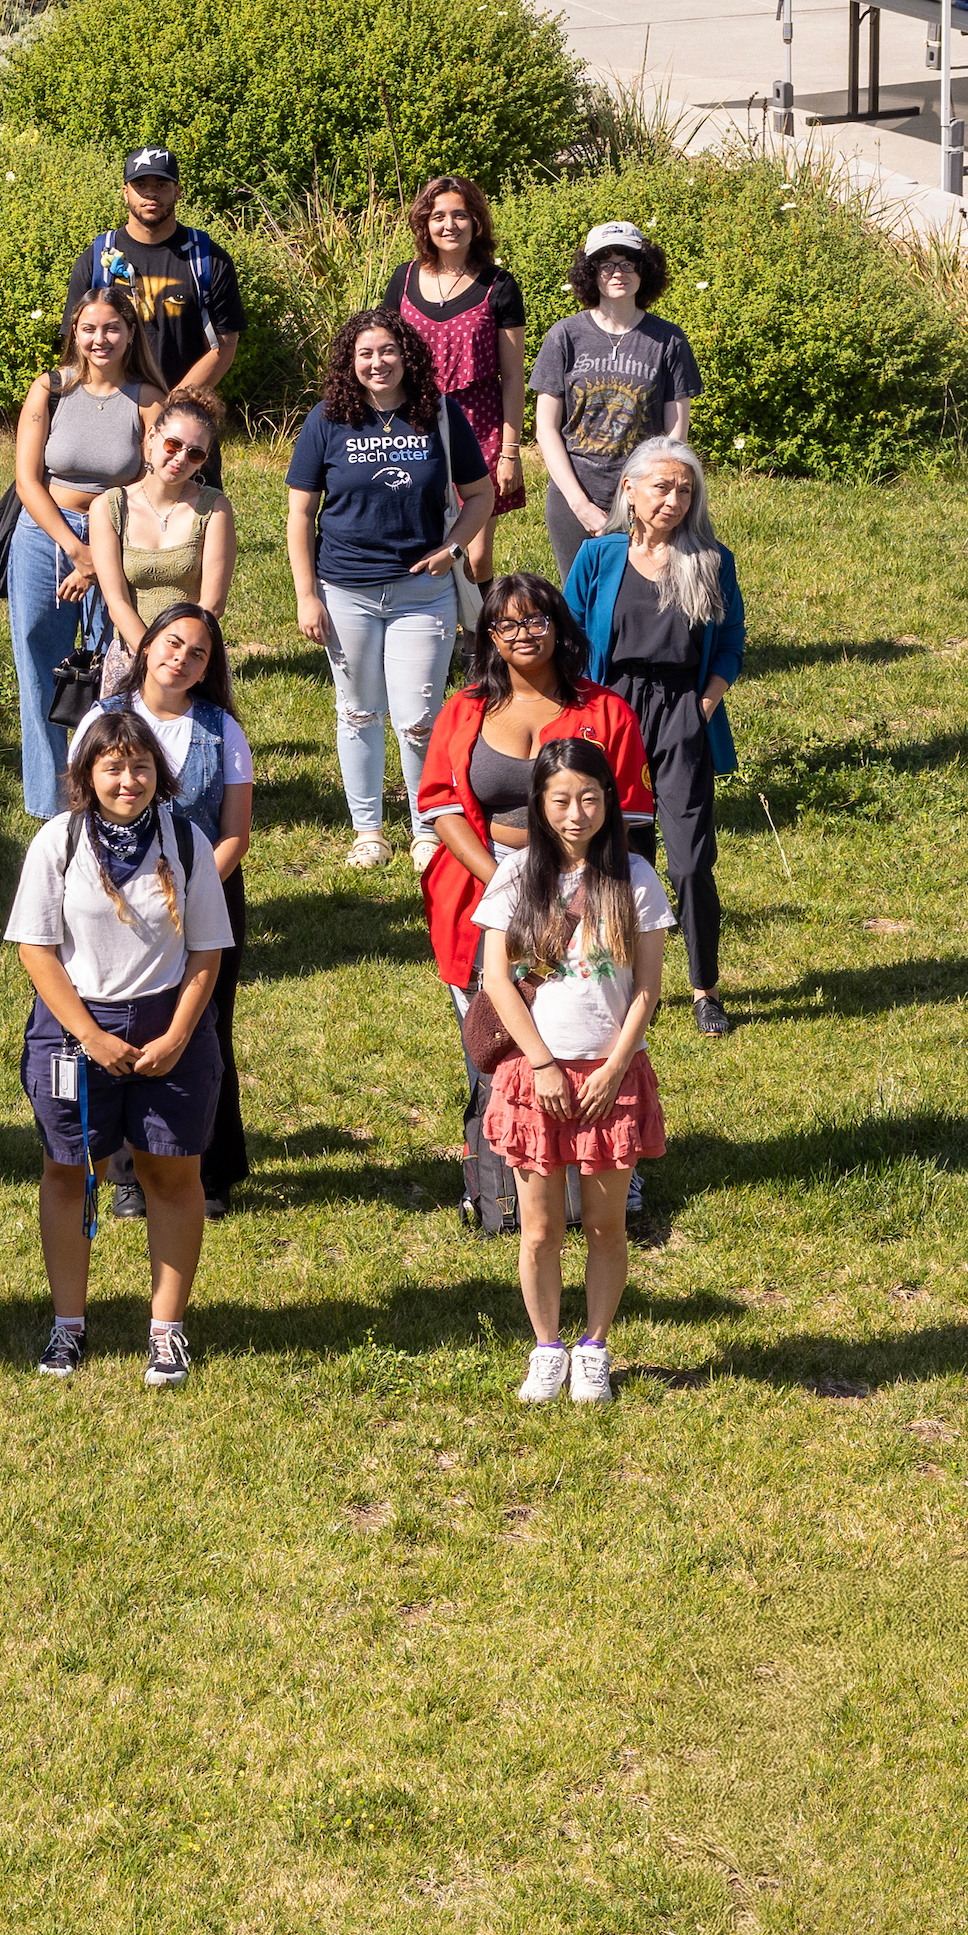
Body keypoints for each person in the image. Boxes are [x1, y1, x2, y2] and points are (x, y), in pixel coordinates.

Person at [7, 704, 236, 1388]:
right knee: (71, 1170)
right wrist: (89, 1035)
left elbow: (206, 953)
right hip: (74, 1032)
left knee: (172, 1173)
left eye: (139, 766)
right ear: (88, 773)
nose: (127, 779)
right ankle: (68, 1327)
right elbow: (36, 949)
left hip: (172, 1027)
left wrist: (176, 1034)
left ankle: (167, 1332)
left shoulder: (189, 841)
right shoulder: (57, 841)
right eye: (113, 767)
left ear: (157, 774)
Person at [417, 575, 655, 1232]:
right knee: (495, 1042)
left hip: (588, 902)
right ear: (489, 637)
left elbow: (629, 815)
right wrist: (512, 885)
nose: (525, 635)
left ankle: (613, 1175)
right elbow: (441, 806)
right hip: (477, 900)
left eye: (537, 620)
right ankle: (494, 1186)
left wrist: (570, 889)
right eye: (508, 625)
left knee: (597, 1030)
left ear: (559, 625)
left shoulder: (607, 711)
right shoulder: (464, 710)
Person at [480, 738, 673, 1403]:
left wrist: (616, 1068)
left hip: (609, 1080)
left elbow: (646, 989)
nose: (575, 813)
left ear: (609, 802)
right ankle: (546, 1347)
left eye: (589, 798)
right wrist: (540, 1064)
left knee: (604, 1224)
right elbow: (496, 980)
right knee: (538, 1228)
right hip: (536, 1077)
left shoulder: (636, 879)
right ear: (538, 803)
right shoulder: (515, 874)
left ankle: (593, 1345)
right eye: (560, 799)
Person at [287, 310, 491, 871]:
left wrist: (452, 550)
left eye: (387, 351)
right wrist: (307, 594)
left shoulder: (440, 415)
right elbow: (300, 513)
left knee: (419, 718)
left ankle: (427, 828)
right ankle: (368, 830)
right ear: (350, 363)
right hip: (344, 590)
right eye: (365, 354)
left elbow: (480, 496)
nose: (377, 364)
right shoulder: (327, 419)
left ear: (407, 355)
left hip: (422, 594)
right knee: (357, 712)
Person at [567, 440, 747, 1044]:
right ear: (629, 491)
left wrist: (704, 704)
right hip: (610, 714)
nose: (673, 500)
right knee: (616, 855)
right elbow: (567, 639)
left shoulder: (712, 560)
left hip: (680, 716)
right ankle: (618, 981)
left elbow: (729, 645)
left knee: (692, 860)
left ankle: (704, 988)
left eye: (685, 490)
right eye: (662, 488)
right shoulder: (597, 557)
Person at [121, 600, 261, 1210]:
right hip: (117, 902)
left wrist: (191, 891)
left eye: (197, 653)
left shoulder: (223, 730)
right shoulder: (105, 721)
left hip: (208, 901)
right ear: (147, 647)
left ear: (207, 669)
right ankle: (128, 1172)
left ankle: (207, 1168)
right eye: (172, 643)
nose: (181, 658)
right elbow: (78, 819)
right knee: (125, 1024)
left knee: (204, 1032)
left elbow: (235, 833)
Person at [5, 286, 153, 821]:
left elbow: (152, 480)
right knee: (39, 663)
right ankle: (51, 803)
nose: (100, 339)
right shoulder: (49, 390)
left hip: (115, 531)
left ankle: (106, 788)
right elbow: (27, 479)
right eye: (89, 328)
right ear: (74, 330)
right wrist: (75, 549)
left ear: (130, 333)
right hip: (46, 533)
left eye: (112, 328)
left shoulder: (145, 398)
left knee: (108, 666)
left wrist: (99, 550)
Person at [532, 219, 704, 562]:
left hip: (646, 498)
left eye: (628, 263)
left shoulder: (669, 339)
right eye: (605, 264)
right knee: (578, 606)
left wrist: (649, 496)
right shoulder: (564, 336)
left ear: (645, 270)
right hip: (573, 497)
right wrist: (580, 505)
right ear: (590, 273)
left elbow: (676, 433)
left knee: (642, 598)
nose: (617, 272)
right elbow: (546, 429)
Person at [387, 174, 531, 511]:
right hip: (412, 422)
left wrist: (510, 450)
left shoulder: (500, 285)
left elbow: (512, 376)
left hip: (479, 424)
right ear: (425, 223)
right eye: (438, 216)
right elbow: (384, 355)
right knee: (422, 535)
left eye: (460, 215)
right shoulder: (403, 278)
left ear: (476, 222)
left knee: (475, 556)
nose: (449, 225)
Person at [61, 146, 243, 409]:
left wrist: (172, 405)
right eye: (140, 184)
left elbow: (225, 345)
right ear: (125, 193)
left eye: (161, 184)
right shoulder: (94, 260)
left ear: (178, 192)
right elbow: (74, 343)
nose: (150, 193)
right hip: (111, 412)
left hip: (184, 413)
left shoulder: (208, 259)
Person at [84, 396, 236, 672]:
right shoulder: (108, 507)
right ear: (152, 437)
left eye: (195, 453)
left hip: (190, 661)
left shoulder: (214, 508)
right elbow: (116, 600)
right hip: (131, 656)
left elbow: (212, 604)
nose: (181, 458)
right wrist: (151, 656)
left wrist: (178, 659)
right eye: (173, 444)